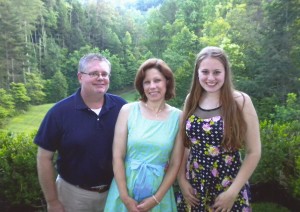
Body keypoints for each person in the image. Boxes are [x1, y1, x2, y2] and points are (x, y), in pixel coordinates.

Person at [34, 53, 127, 212]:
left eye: (104, 74)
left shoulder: (122, 107)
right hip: (73, 196)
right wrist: (53, 201)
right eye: (93, 73)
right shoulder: (59, 113)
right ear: (80, 77)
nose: (100, 77)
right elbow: (44, 158)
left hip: (114, 193)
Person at [176, 46, 261, 212]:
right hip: (195, 184)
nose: (210, 78)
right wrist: (181, 179)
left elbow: (254, 152)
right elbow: (184, 143)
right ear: (197, 73)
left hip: (229, 184)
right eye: (205, 72)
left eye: (216, 72)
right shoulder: (191, 100)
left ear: (225, 73)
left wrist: (233, 192)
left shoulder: (241, 101)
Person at [104, 58, 184, 212]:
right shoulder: (127, 111)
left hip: (158, 191)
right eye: (147, 82)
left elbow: (175, 163)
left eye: (157, 80)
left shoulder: (178, 117)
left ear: (167, 82)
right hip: (125, 187)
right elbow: (117, 157)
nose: (152, 86)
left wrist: (157, 199)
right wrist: (125, 198)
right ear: (141, 85)